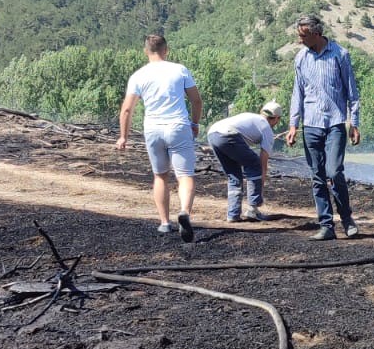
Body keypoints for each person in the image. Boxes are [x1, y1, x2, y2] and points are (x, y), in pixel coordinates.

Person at [116, 33, 203, 240]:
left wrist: (123, 137)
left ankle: (164, 222)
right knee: (185, 175)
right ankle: (184, 212)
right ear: (166, 50)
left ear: (146, 51)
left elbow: (127, 109)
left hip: (153, 128)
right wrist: (195, 124)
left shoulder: (138, 76)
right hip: (178, 126)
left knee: (160, 175)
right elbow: (196, 100)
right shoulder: (179, 70)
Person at [285, 14, 361, 240]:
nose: (300, 40)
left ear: (316, 34)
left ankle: (347, 219)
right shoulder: (301, 58)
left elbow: (352, 93)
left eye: (303, 36)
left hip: (335, 122)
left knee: (334, 172)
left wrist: (354, 123)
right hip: (311, 125)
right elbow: (297, 93)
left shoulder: (340, 54)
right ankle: (326, 225)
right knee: (317, 176)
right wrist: (292, 124)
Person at [207, 102, 282, 222]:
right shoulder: (267, 129)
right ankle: (253, 210)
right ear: (277, 118)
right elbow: (262, 164)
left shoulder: (251, 116)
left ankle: (233, 214)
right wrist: (259, 190)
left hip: (213, 133)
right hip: (228, 135)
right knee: (255, 164)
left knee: (234, 175)